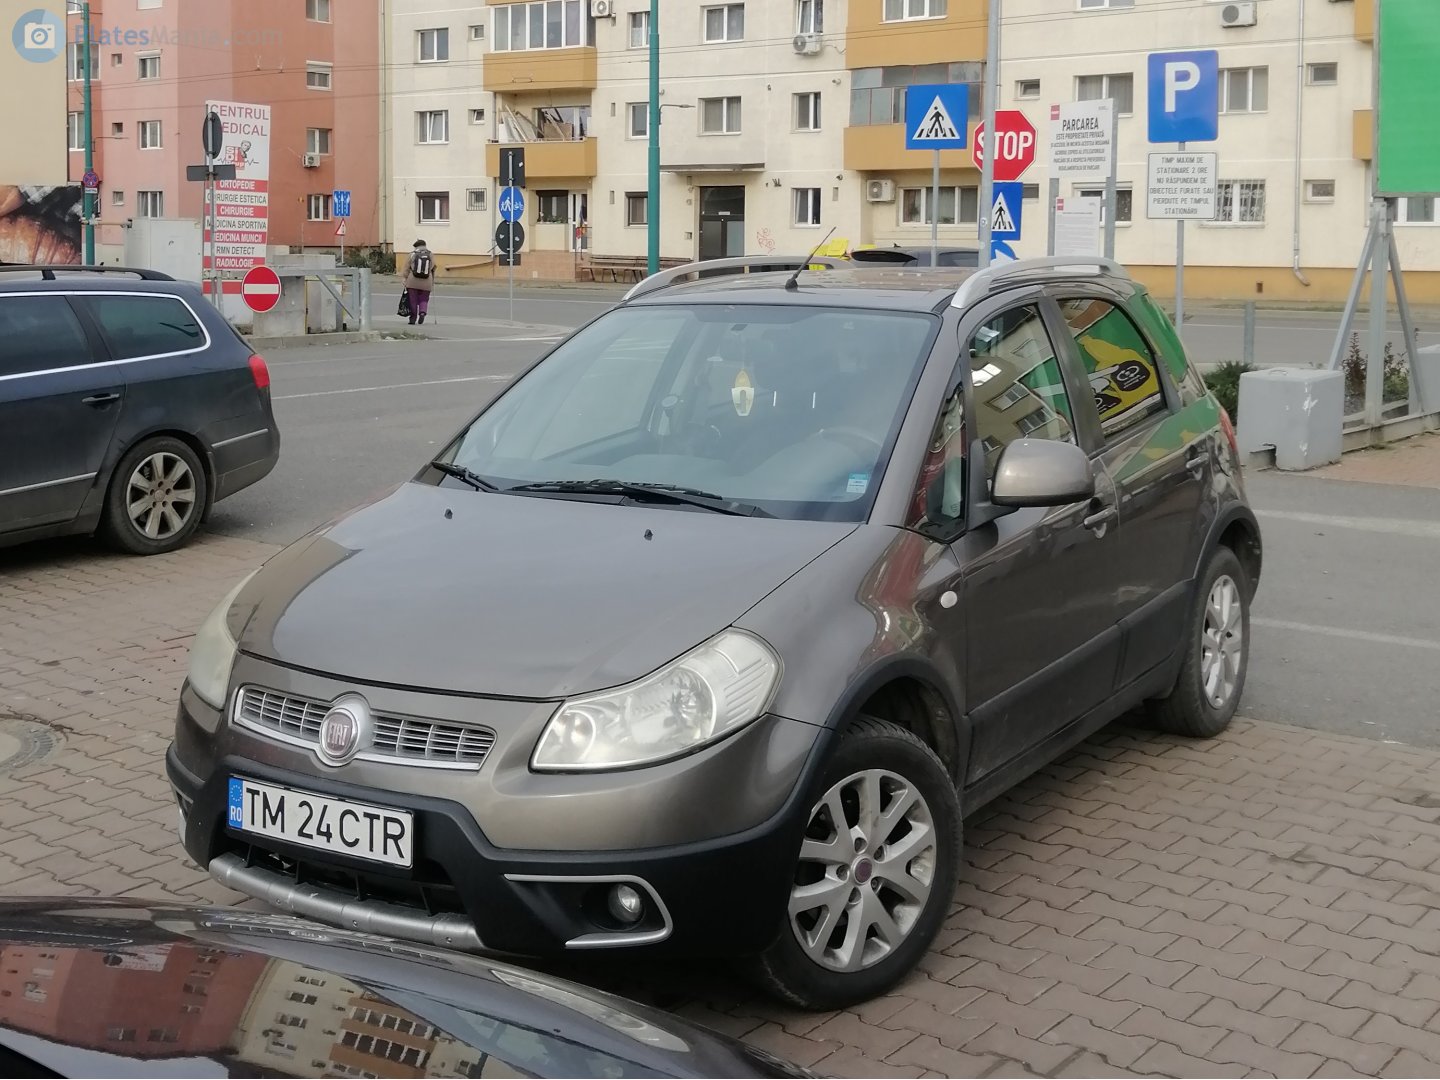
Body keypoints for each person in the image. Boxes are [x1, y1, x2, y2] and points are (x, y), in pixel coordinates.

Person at [403, 239, 435, 324]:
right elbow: (432, 267)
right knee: (424, 299)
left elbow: (406, 268)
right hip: (427, 281)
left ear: (416, 246)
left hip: (412, 281)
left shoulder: (412, 254)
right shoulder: (430, 254)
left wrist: (405, 278)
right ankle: (422, 312)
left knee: (413, 300)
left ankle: (413, 319)